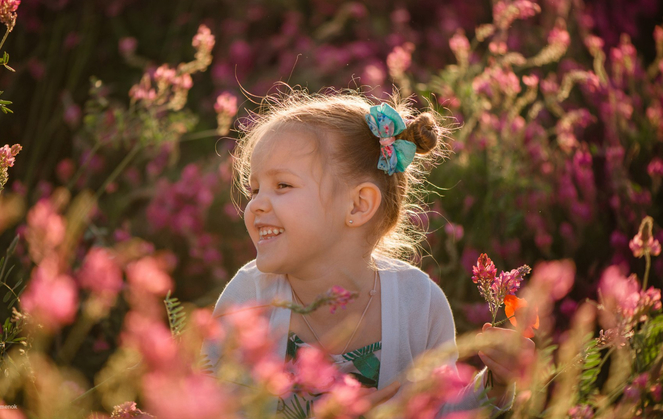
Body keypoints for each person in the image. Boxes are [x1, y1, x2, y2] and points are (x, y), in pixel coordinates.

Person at [204, 89, 534, 418]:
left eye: (283, 186)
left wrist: (496, 385)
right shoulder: (247, 300)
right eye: (254, 188)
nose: (256, 204)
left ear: (359, 205)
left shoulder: (417, 304)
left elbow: (439, 410)